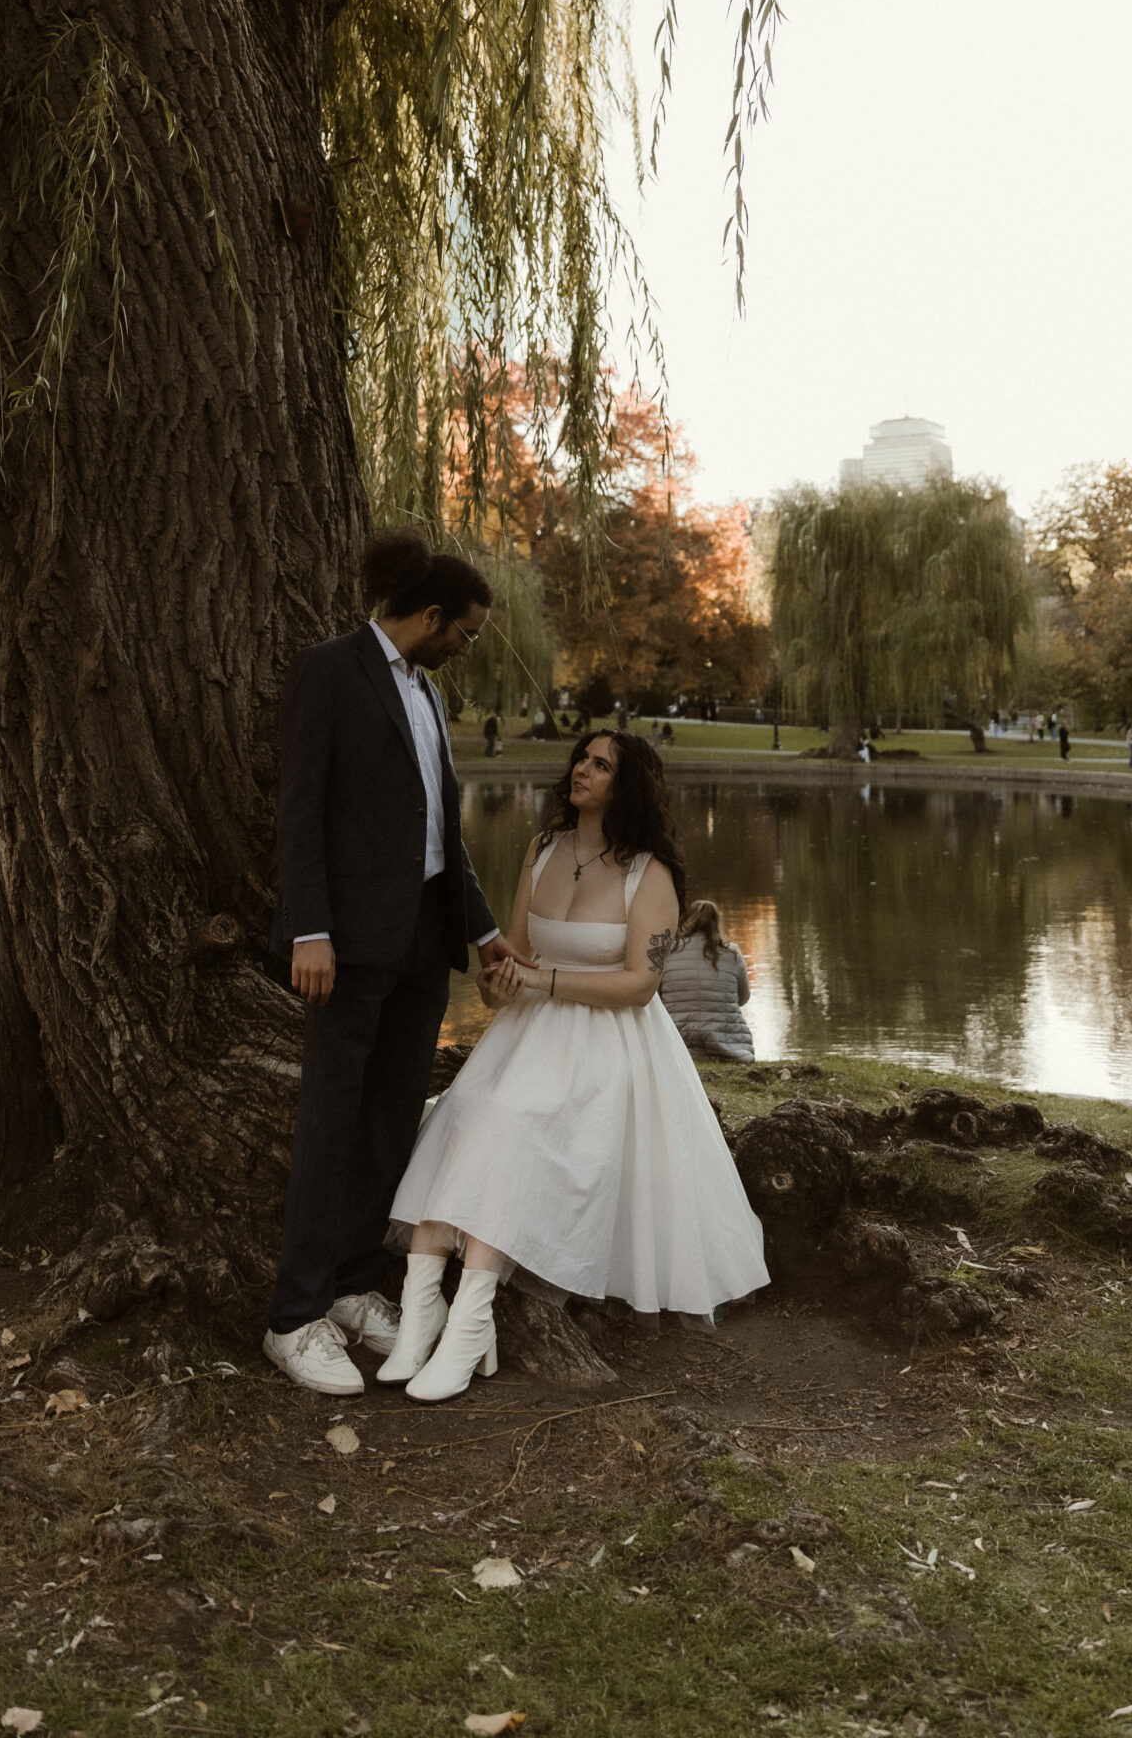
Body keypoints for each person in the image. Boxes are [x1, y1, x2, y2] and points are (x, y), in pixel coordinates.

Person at [377, 730, 769, 1402]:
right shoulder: (542, 849)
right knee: (463, 1117)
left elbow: (639, 986)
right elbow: (512, 959)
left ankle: (471, 1324)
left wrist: (544, 984)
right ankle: (421, 1315)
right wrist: (499, 986)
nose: (580, 770)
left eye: (599, 764)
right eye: (580, 759)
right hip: (528, 1034)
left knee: (514, 1126)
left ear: (628, 785)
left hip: (608, 1044)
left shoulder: (653, 874)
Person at [263, 529, 526, 1398]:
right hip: (344, 946)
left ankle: (345, 1285)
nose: (468, 646)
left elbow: (439, 839)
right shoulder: (330, 671)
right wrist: (309, 931)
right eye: (468, 632)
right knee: (330, 1119)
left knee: (387, 1122)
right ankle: (292, 1316)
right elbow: (300, 811)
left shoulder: (427, 697)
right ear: (429, 614)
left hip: (421, 942)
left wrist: (483, 930)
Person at [659, 899, 757, 1061]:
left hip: (678, 1041)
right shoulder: (732, 953)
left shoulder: (669, 951)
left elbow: (657, 998)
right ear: (717, 922)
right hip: (726, 1043)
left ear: (686, 920)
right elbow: (743, 998)